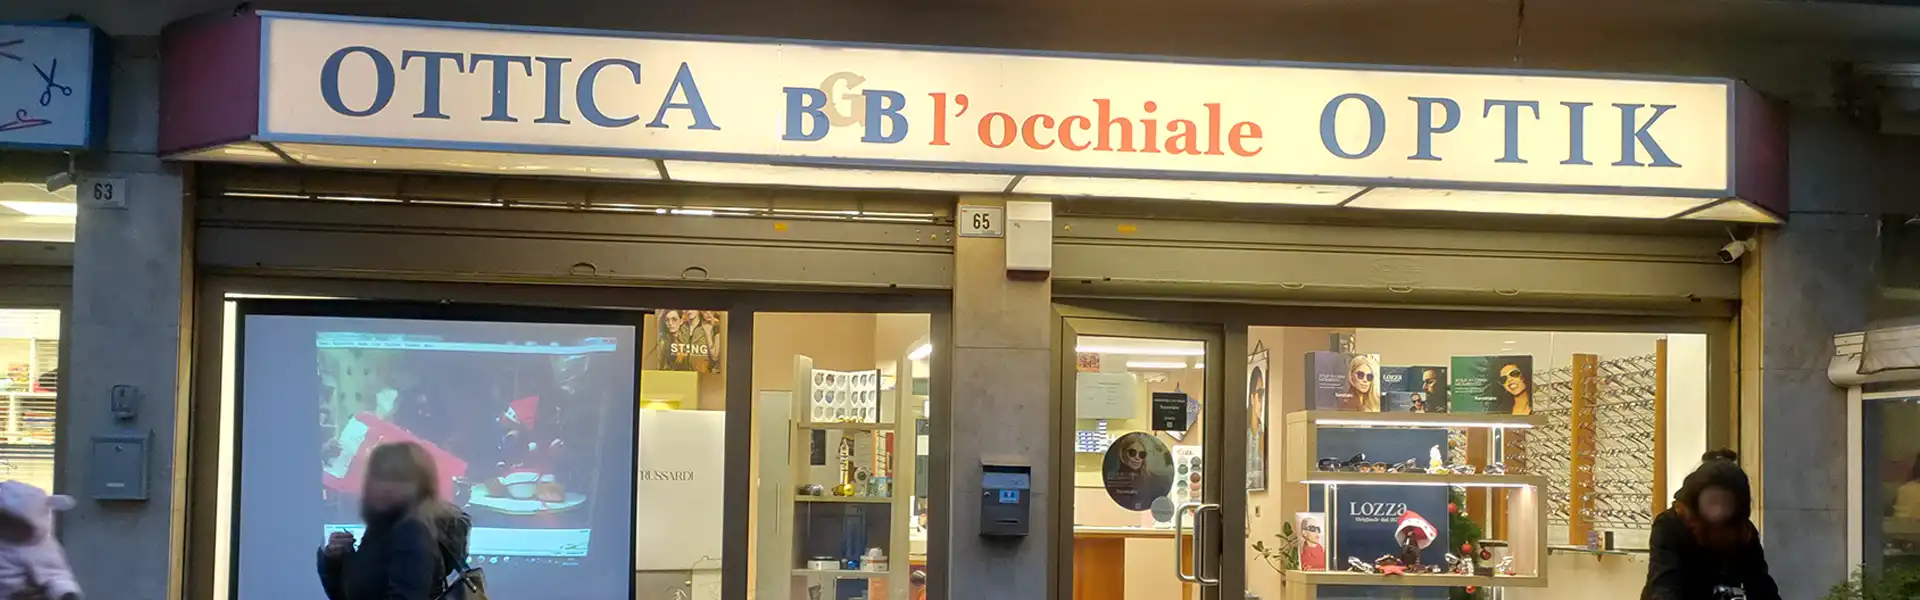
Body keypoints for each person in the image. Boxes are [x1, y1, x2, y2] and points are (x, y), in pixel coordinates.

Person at [319, 441, 472, 600]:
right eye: (380, 476)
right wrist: (336, 560)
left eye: (399, 478)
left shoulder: (411, 531)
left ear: (421, 485)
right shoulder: (385, 527)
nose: (387, 487)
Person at [1642, 449, 1780, 600]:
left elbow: (1761, 585)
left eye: (1725, 501)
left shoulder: (1742, 532)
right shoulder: (1671, 525)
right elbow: (1664, 584)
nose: (1718, 510)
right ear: (1696, 499)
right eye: (1712, 500)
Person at [0, 482, 80, 600]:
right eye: (5, 523)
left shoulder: (40, 548)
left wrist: (66, 593)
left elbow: (56, 575)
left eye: (18, 525)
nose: (11, 530)